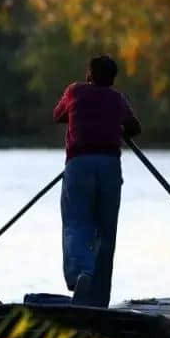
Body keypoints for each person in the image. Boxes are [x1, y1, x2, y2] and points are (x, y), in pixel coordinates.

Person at [54, 55, 141, 308]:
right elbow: (134, 128)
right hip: (109, 166)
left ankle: (82, 273)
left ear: (89, 76)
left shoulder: (74, 92)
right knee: (106, 232)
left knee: (76, 222)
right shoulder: (117, 98)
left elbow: (58, 115)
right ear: (113, 79)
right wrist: (115, 127)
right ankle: (99, 299)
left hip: (79, 165)